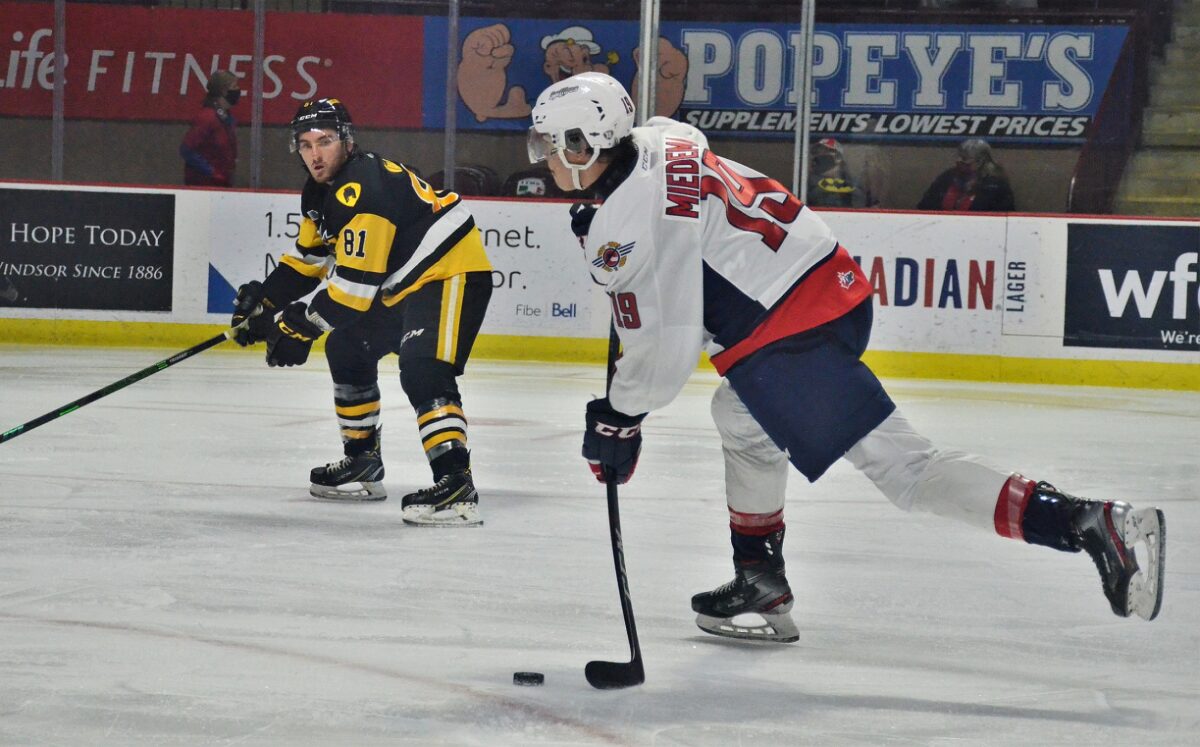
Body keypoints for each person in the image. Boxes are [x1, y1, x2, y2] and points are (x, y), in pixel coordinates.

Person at [526, 72, 1165, 642]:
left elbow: (663, 354)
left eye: (550, 146)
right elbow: (673, 193)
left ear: (584, 147)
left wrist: (620, 415)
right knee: (742, 416)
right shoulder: (664, 139)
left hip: (784, 331)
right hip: (830, 285)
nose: (543, 158)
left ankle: (1087, 521)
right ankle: (758, 575)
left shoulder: (625, 227)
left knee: (906, 470)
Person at [231, 98, 494, 527]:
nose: (315, 154)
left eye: (325, 141)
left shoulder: (363, 187)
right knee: (348, 347)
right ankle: (363, 463)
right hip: (402, 286)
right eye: (305, 144)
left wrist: (289, 328)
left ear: (347, 142)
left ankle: (456, 484)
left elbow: (353, 292)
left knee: (423, 368)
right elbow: (309, 262)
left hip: (450, 271)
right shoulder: (319, 192)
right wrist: (264, 300)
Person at [917, 138, 1015, 212]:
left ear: (980, 161)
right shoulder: (947, 177)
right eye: (958, 157)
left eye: (965, 158)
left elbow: (1003, 218)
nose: (959, 161)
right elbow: (925, 207)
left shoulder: (995, 186)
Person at [180, 70, 240, 187]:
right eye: (234, 86)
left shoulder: (226, 118)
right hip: (205, 186)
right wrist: (212, 172)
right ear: (223, 90)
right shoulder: (207, 118)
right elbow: (186, 150)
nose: (238, 90)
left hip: (221, 184)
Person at [806, 137, 862, 209]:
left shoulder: (854, 183)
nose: (819, 156)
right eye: (817, 153)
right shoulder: (805, 184)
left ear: (838, 158)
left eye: (825, 152)